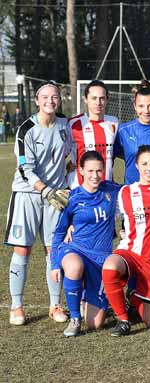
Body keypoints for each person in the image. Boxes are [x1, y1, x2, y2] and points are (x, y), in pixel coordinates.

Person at [6, 81, 72, 326]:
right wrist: (45, 190)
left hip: (55, 196)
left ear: (59, 99)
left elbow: (72, 151)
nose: (50, 101)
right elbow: (25, 169)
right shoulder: (26, 129)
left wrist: (70, 172)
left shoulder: (65, 124)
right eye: (45, 97)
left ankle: (55, 304)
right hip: (28, 195)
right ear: (36, 100)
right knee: (22, 249)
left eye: (54, 97)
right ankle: (16, 306)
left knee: (53, 250)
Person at [101, 145, 150, 336]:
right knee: (109, 267)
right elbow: (105, 215)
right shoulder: (125, 192)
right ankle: (123, 320)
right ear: (136, 165)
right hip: (130, 252)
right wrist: (70, 225)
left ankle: (132, 296)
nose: (149, 168)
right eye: (144, 164)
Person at [50, 151, 121, 336]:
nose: (95, 176)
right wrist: (55, 264)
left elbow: (137, 192)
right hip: (76, 249)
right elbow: (58, 233)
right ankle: (74, 318)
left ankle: (85, 299)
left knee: (95, 324)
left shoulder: (112, 190)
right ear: (81, 170)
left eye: (99, 171)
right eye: (90, 171)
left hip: (101, 259)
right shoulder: (72, 198)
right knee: (73, 266)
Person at [67, 80, 118, 188]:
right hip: (78, 187)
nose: (98, 103)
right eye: (94, 98)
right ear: (85, 99)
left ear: (107, 100)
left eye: (102, 98)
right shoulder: (73, 124)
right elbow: (59, 154)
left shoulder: (114, 123)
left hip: (107, 186)